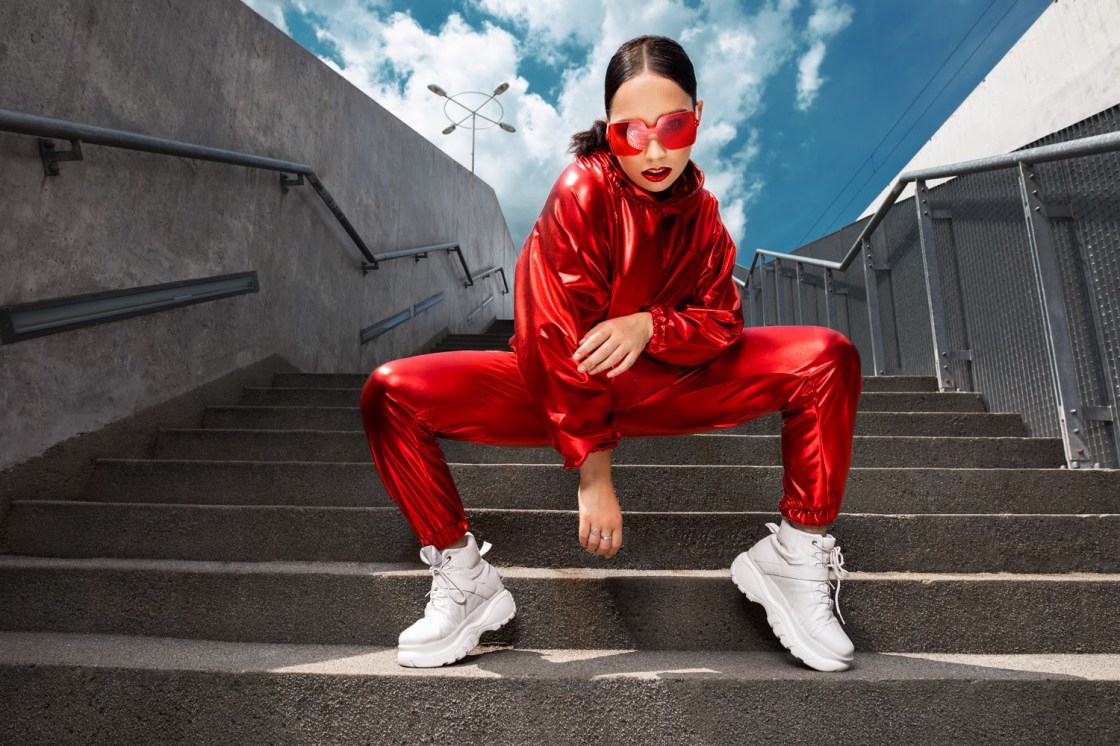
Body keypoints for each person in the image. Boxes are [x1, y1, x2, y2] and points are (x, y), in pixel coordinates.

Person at [360, 34, 862, 673]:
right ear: (609, 127)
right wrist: (594, 478)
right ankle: (464, 578)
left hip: (669, 383)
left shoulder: (705, 216)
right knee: (391, 393)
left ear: (698, 116)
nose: (654, 151)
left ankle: (795, 554)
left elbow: (722, 321)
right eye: (632, 132)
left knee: (826, 356)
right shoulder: (583, 190)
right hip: (560, 390)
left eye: (673, 126)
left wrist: (649, 326)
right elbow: (549, 336)